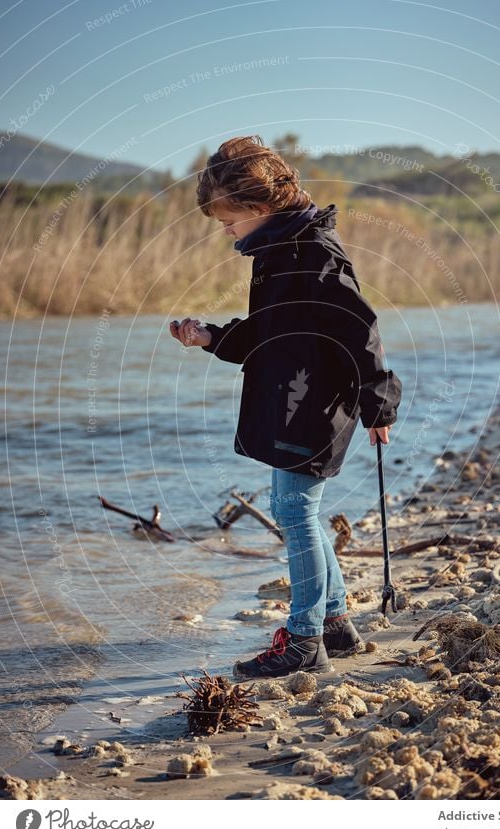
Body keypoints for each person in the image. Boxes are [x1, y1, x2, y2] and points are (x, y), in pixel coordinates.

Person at [170, 135, 402, 679]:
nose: (225, 231)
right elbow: (272, 331)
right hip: (297, 395)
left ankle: (302, 640)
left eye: (228, 220)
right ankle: (335, 623)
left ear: (258, 208)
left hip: (317, 403)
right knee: (301, 510)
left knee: (294, 510)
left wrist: (379, 403)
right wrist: (210, 337)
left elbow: (361, 328)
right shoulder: (280, 252)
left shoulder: (314, 254)